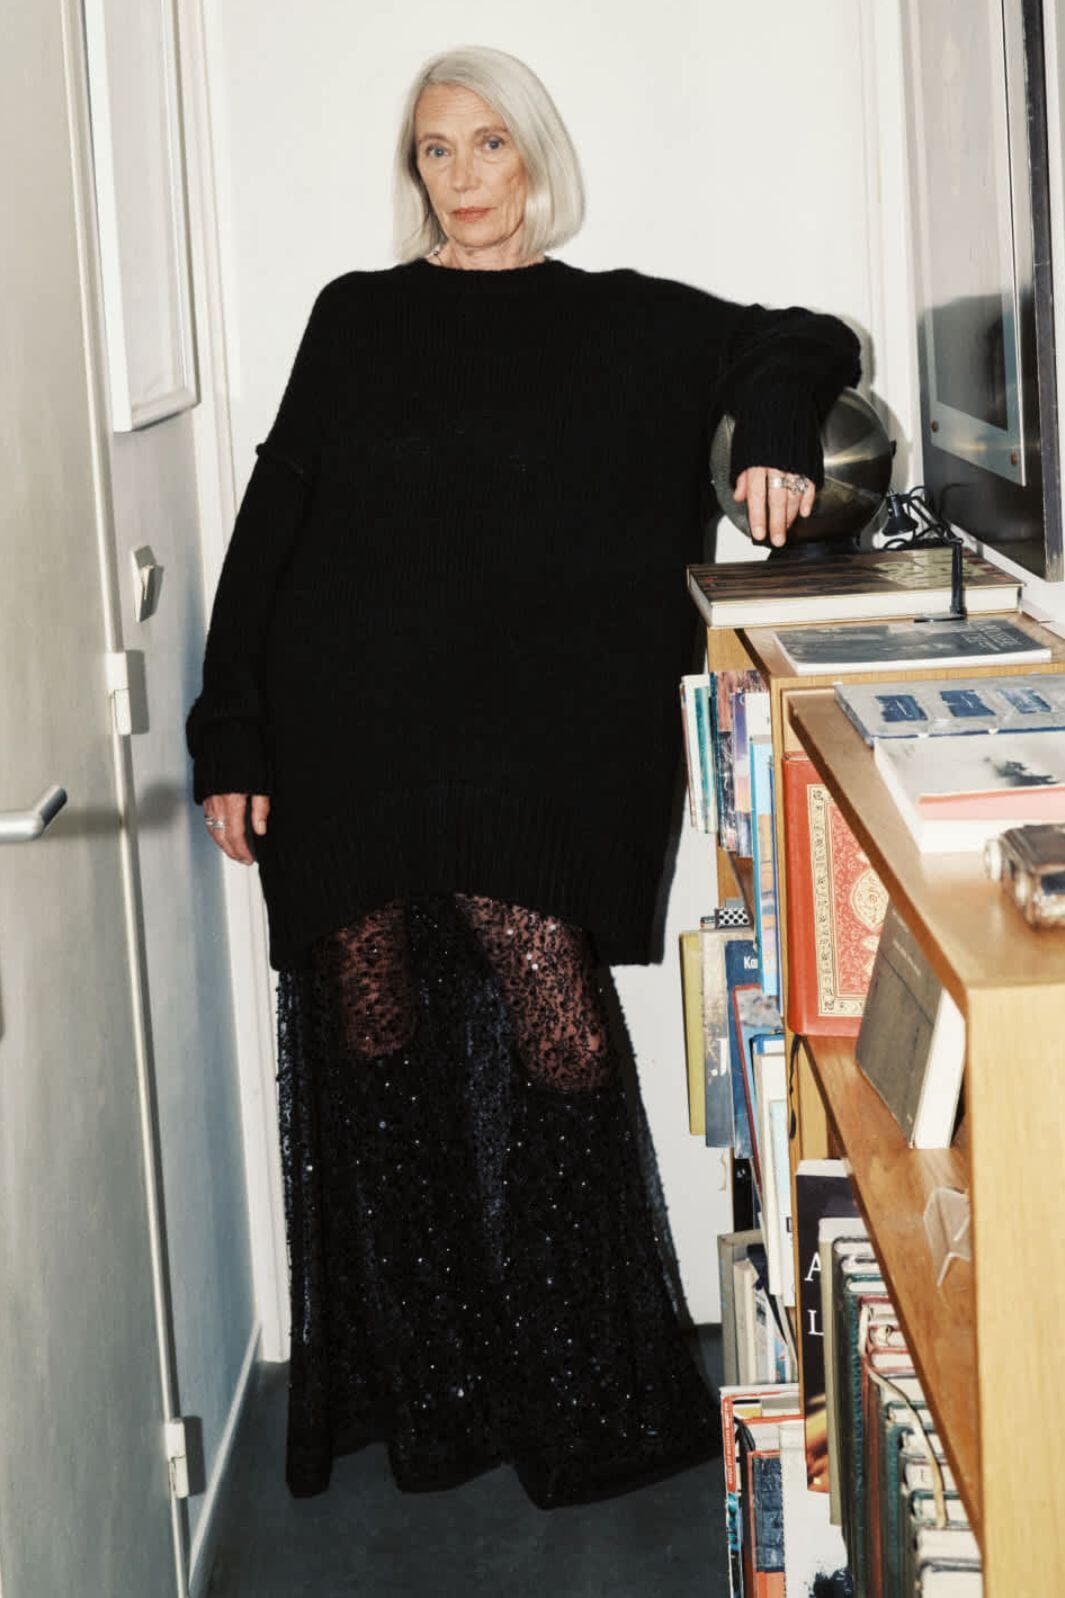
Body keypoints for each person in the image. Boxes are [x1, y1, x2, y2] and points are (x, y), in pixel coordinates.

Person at [187, 45, 860, 1508]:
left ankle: (580, 1380)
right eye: (436, 150)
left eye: (488, 144)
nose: (464, 176)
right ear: (413, 170)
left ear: (534, 155)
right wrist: (228, 729)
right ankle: (439, 1382)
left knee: (558, 1032)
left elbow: (803, 336)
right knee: (370, 1023)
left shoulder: (623, 320)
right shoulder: (355, 316)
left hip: (530, 748)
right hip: (348, 731)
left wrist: (775, 435)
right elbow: (270, 523)